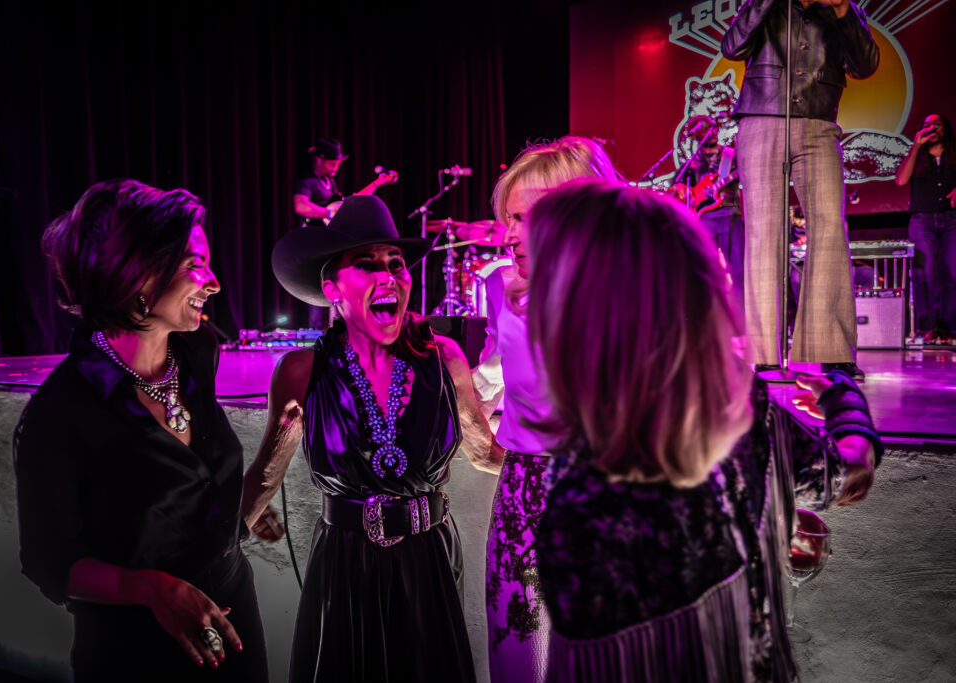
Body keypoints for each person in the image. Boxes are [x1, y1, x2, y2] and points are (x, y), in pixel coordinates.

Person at [525, 180, 881, 682]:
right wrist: (842, 395)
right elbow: (849, 475)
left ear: (579, 315)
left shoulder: (584, 510)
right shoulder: (744, 402)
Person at [13, 179, 268, 681]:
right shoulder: (59, 413)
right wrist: (151, 588)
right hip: (136, 647)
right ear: (139, 275)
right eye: (196, 264)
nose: (214, 282)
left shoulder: (196, 355)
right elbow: (49, 562)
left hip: (235, 616)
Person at [246, 194, 505, 682]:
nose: (388, 275)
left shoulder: (443, 358)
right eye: (366, 265)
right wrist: (213, 548)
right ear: (332, 288)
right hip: (344, 567)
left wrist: (557, 475)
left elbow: (483, 452)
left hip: (428, 559)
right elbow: (265, 474)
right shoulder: (302, 371)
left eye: (396, 264)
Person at [470, 135, 622, 682]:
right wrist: (466, 392)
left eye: (523, 218)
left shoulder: (626, 287)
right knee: (517, 658)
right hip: (523, 490)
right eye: (505, 219)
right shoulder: (498, 286)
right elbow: (497, 366)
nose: (507, 235)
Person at [722, 0, 880, 380]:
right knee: (764, 231)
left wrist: (842, 9)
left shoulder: (841, 8)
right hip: (761, 118)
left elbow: (865, 64)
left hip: (820, 122)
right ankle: (764, 352)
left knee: (829, 229)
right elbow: (733, 47)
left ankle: (832, 349)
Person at [894, 113, 956, 344]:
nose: (932, 128)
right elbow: (900, 180)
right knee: (924, 273)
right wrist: (915, 147)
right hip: (922, 221)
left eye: (937, 123)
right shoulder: (917, 156)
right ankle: (926, 329)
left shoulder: (953, 153)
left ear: (946, 128)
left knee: (952, 272)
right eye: (927, 124)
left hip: (952, 219)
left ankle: (949, 329)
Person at [673, 132, 745, 309]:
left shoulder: (729, 155)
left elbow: (744, 173)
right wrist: (683, 188)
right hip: (704, 217)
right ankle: (704, 317)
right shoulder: (695, 160)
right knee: (701, 268)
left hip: (729, 212)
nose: (705, 132)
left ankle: (741, 320)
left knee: (738, 269)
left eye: (707, 128)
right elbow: (678, 182)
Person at [293, 136, 350, 329]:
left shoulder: (329, 181)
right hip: (312, 239)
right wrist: (328, 212)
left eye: (338, 164)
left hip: (327, 240)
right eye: (332, 163)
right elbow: (300, 205)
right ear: (319, 160)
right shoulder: (307, 179)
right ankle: (315, 331)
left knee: (329, 282)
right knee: (316, 285)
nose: (336, 168)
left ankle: (331, 329)